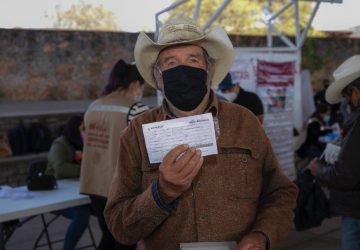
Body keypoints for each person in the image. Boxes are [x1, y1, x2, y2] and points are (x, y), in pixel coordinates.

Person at [103, 19, 298, 250]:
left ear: (210, 70)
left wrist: (262, 235)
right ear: (157, 76)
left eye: (193, 60)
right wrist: (162, 192)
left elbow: (281, 191)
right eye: (171, 62)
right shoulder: (136, 134)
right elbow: (119, 226)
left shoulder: (245, 122)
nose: (182, 69)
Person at [80, 59, 149, 250]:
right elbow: (150, 149)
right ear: (135, 84)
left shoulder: (93, 106)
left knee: (109, 236)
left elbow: (86, 139)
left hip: (93, 186)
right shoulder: (136, 109)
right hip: (120, 188)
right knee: (124, 240)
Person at [309, 55, 360, 250]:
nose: (348, 102)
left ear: (355, 92)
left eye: (347, 96)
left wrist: (319, 170)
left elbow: (346, 176)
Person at [46, 115, 91, 250]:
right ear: (75, 129)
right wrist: (85, 168)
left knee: (106, 209)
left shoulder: (83, 144)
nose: (85, 132)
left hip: (78, 192)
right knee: (82, 214)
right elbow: (60, 170)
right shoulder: (60, 144)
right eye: (83, 129)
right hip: (58, 193)